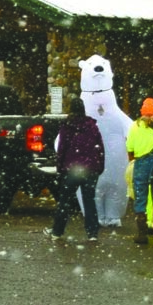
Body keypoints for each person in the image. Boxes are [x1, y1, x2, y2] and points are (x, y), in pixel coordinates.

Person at [44, 97, 105, 241]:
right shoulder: (92, 126)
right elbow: (100, 148)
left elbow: (62, 149)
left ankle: (57, 231)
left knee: (64, 201)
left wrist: (60, 167)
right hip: (90, 169)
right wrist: (99, 166)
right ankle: (92, 233)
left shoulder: (67, 127)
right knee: (89, 200)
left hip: (72, 169)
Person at [126, 97, 153, 244]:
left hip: (142, 163)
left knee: (140, 196)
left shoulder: (135, 126)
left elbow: (129, 148)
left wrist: (134, 159)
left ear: (142, 111)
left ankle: (142, 234)